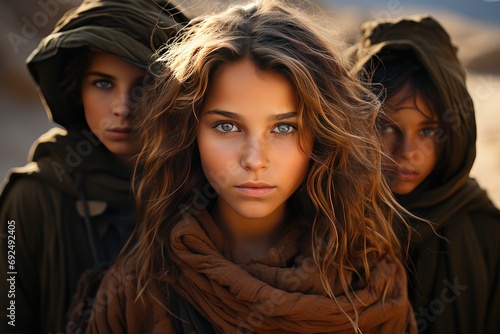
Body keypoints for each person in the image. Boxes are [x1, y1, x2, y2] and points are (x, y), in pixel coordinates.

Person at [86, 1, 417, 333]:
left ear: (322, 137)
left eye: (283, 128)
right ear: (191, 132)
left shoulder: (371, 282)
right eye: (228, 126)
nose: (255, 160)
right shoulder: (138, 288)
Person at [0, 0, 190, 332]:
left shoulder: (196, 190)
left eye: (144, 85)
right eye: (103, 83)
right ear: (77, 90)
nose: (122, 108)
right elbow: (11, 315)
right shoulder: (31, 197)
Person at [349, 14, 500, 334]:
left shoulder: (486, 232)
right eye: (387, 127)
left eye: (429, 130)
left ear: (456, 132)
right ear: (355, 124)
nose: (407, 151)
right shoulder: (332, 221)